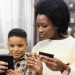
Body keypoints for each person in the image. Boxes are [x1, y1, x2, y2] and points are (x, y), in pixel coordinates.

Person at [31, 0, 75, 75]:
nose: (40, 30)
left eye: (44, 26)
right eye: (38, 26)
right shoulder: (37, 47)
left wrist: (63, 68)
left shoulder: (72, 45)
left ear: (57, 24)